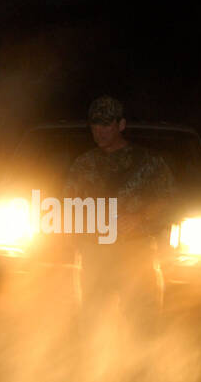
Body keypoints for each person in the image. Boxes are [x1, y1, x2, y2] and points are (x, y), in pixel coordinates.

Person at [64, 95, 175, 336]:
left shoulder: (150, 164)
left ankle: (142, 372)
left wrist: (140, 219)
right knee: (91, 327)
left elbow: (169, 203)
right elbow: (68, 207)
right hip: (95, 257)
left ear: (121, 125)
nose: (100, 131)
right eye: (95, 124)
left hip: (136, 256)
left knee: (143, 327)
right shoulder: (83, 165)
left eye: (106, 124)